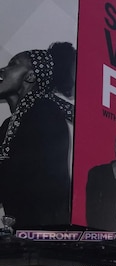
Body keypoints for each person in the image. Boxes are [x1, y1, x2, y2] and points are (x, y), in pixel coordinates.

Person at [0, 44, 75, 227]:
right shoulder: (7, 126)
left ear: (31, 76)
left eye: (13, 64)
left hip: (46, 239)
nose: (3, 69)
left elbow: (37, 182)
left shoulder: (45, 113)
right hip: (25, 235)